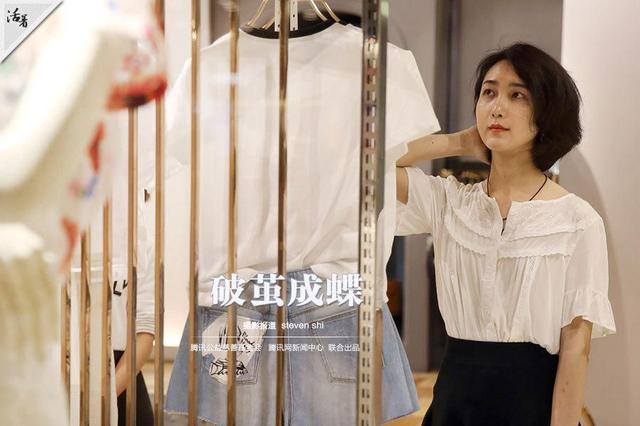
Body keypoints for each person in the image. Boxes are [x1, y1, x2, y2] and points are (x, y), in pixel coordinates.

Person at [395, 43, 616, 426]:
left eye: (518, 95)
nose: (497, 107)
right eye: (489, 92)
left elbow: (576, 348)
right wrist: (457, 141)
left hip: (531, 407)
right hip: (455, 406)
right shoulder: (449, 203)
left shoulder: (577, 221)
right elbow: (364, 162)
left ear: (547, 112)